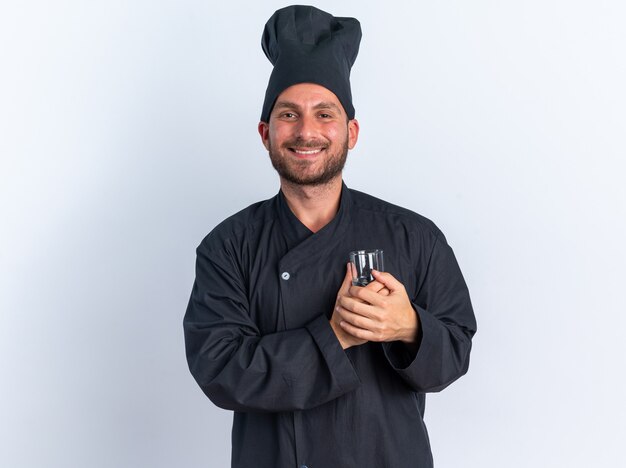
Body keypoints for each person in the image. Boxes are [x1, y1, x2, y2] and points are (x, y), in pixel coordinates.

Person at [183, 5, 477, 468]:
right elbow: (219, 371)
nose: (306, 132)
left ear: (351, 132)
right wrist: (335, 335)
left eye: (325, 114)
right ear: (265, 133)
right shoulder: (228, 247)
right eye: (288, 114)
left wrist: (410, 327)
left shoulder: (415, 236)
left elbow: (456, 351)